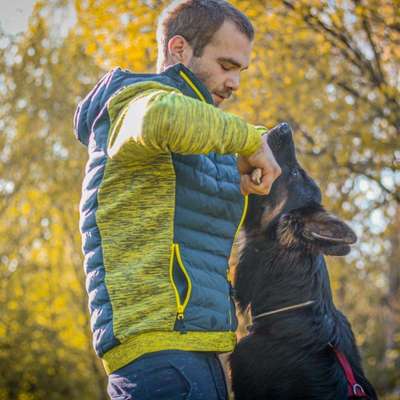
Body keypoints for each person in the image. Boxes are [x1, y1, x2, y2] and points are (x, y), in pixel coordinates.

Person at [74, 0, 281, 398]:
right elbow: (161, 118)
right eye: (226, 65)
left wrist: (242, 176)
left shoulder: (201, 136)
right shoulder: (134, 101)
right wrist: (249, 140)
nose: (235, 83)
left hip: (197, 350)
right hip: (162, 355)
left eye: (241, 70)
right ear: (179, 49)